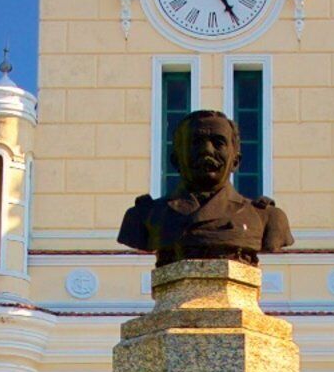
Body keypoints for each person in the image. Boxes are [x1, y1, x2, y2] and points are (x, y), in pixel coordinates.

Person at [117, 110, 291, 264]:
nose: (207, 150)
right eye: (196, 142)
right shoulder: (143, 216)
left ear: (236, 161)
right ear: (175, 160)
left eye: (218, 143)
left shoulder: (267, 218)